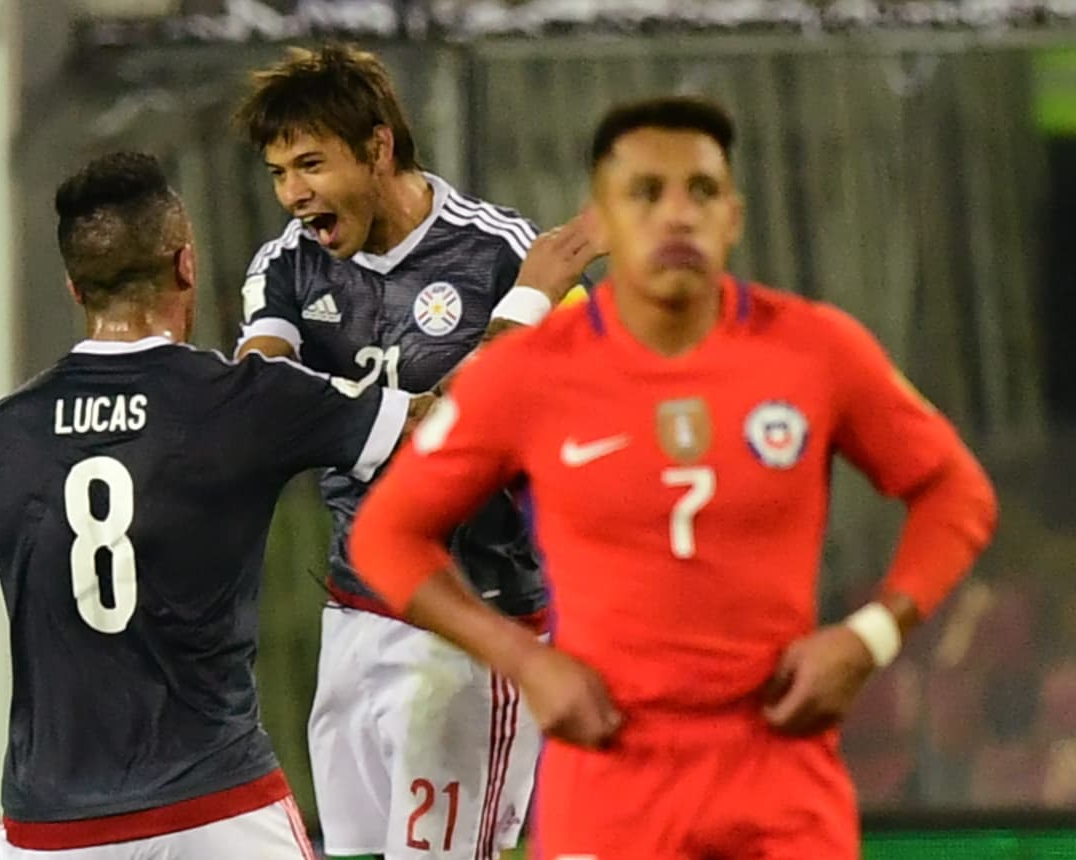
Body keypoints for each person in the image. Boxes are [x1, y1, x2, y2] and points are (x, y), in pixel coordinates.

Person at [349, 96, 1000, 859]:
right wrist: (524, 660)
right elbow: (389, 534)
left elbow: (957, 493)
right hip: (612, 775)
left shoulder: (816, 351)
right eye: (647, 194)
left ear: (735, 216)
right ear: (603, 221)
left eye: (702, 192)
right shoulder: (529, 376)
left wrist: (870, 635)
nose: (678, 215)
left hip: (778, 769)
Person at [0, 151, 420, 859]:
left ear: (74, 287)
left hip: (48, 830)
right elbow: (436, 433)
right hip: (214, 811)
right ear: (185, 266)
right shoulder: (244, 402)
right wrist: (530, 309)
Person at [232, 44, 599, 860]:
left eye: (312, 164)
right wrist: (490, 351)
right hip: (353, 616)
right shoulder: (286, 269)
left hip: (474, 623)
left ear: (379, 148)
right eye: (278, 172)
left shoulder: (502, 253)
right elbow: (259, 402)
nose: (294, 194)